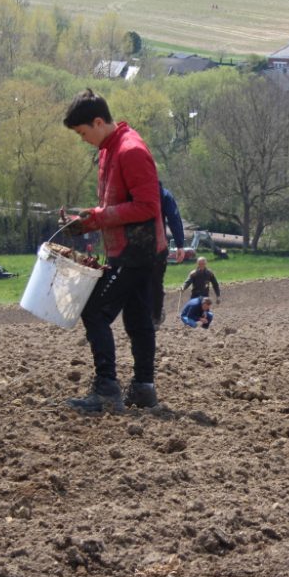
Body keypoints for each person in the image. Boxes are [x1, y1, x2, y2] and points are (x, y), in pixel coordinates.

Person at [60, 88, 168, 413]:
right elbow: (115, 204)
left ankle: (107, 389)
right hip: (130, 249)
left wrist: (95, 219)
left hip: (139, 251)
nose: (82, 140)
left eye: (82, 133)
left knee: (93, 308)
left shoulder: (130, 150)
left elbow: (147, 206)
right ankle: (143, 388)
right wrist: (86, 220)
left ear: (97, 122)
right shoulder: (109, 150)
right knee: (137, 318)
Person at [152, 182, 185, 329]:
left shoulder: (131, 190)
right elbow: (174, 218)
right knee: (156, 282)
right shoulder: (164, 194)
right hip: (156, 246)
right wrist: (179, 244)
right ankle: (155, 315)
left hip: (132, 246)